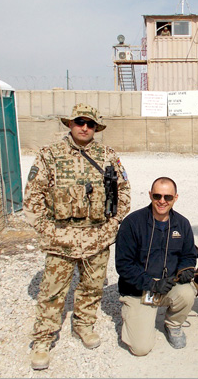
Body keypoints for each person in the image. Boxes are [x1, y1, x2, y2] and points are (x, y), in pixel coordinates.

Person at [24, 103, 131, 370]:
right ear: (70, 124)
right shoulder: (50, 155)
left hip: (97, 236)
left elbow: (124, 192)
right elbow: (32, 198)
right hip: (60, 238)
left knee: (92, 287)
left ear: (96, 128)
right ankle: (43, 339)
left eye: (90, 124)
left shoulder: (107, 156)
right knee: (52, 292)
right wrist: (49, 231)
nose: (84, 127)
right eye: (80, 122)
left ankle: (83, 324)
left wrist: (112, 226)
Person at [115, 177, 197, 356]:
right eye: (157, 195)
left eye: (167, 197)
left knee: (187, 292)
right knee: (140, 349)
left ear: (175, 198)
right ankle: (135, 315)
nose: (162, 201)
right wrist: (151, 284)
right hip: (139, 290)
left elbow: (189, 255)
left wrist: (185, 270)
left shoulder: (182, 224)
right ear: (150, 195)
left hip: (168, 285)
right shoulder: (132, 223)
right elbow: (123, 265)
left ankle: (173, 325)